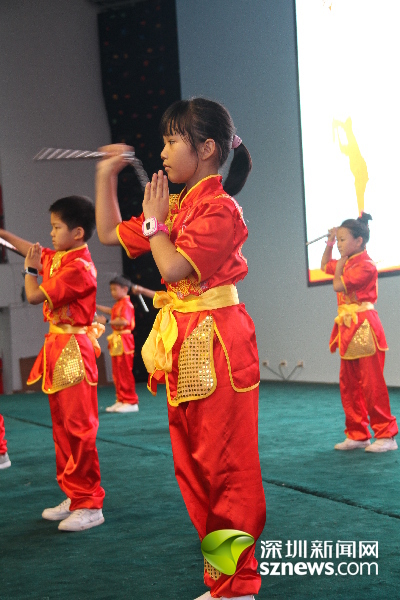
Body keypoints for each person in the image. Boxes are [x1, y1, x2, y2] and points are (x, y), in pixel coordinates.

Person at [95, 98, 266, 600]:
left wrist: (154, 224)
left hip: (218, 343)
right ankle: (223, 579)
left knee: (225, 468)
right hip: (185, 342)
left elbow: (172, 268)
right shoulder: (177, 206)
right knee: (194, 469)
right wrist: (106, 175)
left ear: (207, 148)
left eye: (172, 141)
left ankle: (238, 583)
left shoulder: (220, 208)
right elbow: (106, 233)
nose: (163, 152)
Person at [0, 196, 106, 531]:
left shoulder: (79, 269)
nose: (51, 233)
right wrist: (2, 234)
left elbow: (33, 295)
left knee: (79, 429)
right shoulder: (63, 257)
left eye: (56, 227)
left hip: (74, 349)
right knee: (62, 429)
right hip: (58, 348)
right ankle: (75, 496)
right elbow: (30, 250)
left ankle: (90, 504)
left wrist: (30, 270)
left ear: (77, 232)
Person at [321, 212, 398, 452]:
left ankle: (386, 435)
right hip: (347, 327)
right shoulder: (347, 262)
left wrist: (339, 264)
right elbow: (324, 266)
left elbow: (337, 285)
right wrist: (329, 243)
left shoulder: (366, 265)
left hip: (364, 326)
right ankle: (357, 434)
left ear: (359, 241)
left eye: (343, 239)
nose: (340, 244)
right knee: (349, 384)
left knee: (372, 385)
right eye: (338, 240)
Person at [96, 275, 154, 413]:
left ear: (125, 289)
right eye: (111, 290)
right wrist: (96, 306)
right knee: (117, 372)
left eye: (115, 289)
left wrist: (107, 322)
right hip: (117, 339)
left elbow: (125, 321)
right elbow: (111, 311)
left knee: (124, 372)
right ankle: (121, 399)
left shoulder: (126, 304)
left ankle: (130, 401)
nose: (112, 292)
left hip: (124, 340)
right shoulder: (119, 304)